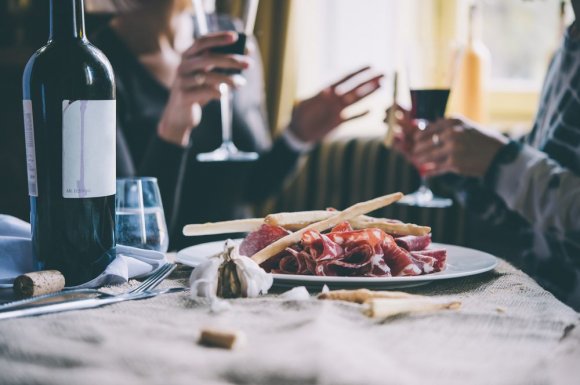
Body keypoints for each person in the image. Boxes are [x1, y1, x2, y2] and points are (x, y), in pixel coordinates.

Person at [92, 0, 382, 250]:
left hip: (242, 262)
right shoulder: (94, 67)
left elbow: (252, 187)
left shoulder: (231, 39)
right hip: (165, 275)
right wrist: (174, 128)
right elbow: (128, 234)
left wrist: (297, 136)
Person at [393, 0, 580, 310]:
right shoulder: (568, 46)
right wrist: (449, 162)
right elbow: (529, 214)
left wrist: (501, 160)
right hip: (536, 297)